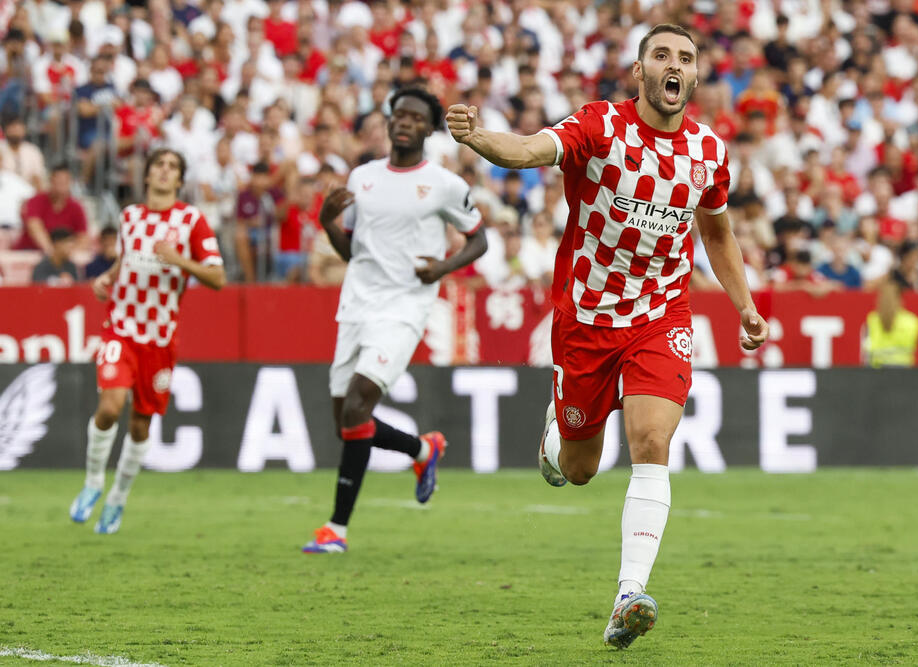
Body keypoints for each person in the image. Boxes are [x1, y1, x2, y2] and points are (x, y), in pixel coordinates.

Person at [446, 24, 769, 649]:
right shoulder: (601, 127)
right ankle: (556, 432)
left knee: (652, 440)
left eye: (685, 58)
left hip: (662, 316)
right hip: (588, 319)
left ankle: (629, 596)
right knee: (580, 467)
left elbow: (718, 233)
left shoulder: (708, 152)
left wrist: (745, 306)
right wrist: (478, 136)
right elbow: (529, 151)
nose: (674, 66)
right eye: (661, 55)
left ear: (696, 78)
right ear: (640, 71)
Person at [302, 87, 488, 554]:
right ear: (389, 124)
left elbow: (478, 240)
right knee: (346, 421)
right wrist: (327, 225)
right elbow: (353, 251)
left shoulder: (444, 184)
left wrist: (441, 269)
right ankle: (422, 450)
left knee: (357, 407)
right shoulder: (362, 177)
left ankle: (336, 530)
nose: (404, 121)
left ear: (428, 128)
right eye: (398, 115)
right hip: (356, 303)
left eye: (414, 117)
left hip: (405, 306)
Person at [69, 148, 226, 535]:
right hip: (120, 328)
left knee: (140, 426)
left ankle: (118, 497)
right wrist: (107, 278)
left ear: (179, 179)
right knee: (110, 406)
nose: (164, 171)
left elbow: (217, 278)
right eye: (159, 164)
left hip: (159, 339)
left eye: (173, 166)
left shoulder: (191, 220)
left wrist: (179, 260)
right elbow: (126, 259)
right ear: (147, 175)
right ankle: (92, 483)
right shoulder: (130, 216)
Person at [16, 163, 88, 252]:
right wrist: (52, 252)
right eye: (58, 182)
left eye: (65, 182)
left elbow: (83, 237)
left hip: (63, 256)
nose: (61, 186)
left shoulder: (76, 206)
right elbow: (34, 227)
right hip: (31, 251)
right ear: (51, 181)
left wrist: (69, 253)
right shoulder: (36, 200)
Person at [864, 279, 918, 368]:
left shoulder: (873, 319)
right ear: (900, 299)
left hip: (877, 370)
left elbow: (867, 350)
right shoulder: (912, 320)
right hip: (904, 369)